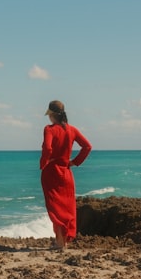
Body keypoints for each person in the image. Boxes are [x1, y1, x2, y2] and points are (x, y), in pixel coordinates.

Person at [40, 99, 92, 250]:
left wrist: (44, 163)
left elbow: (48, 149)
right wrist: (74, 162)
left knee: (55, 207)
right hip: (66, 172)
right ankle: (64, 242)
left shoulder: (49, 129)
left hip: (52, 171)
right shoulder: (72, 130)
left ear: (51, 115)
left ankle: (60, 242)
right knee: (66, 208)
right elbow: (87, 146)